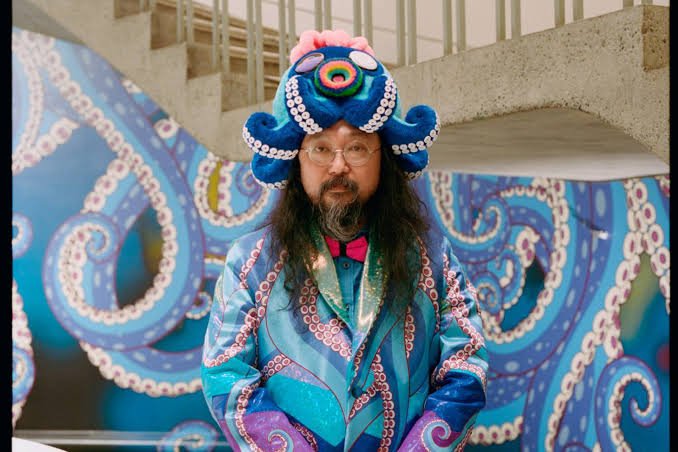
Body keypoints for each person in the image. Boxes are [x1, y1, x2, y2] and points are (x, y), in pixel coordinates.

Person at [201, 29, 488, 451]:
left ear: (383, 158)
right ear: (296, 160)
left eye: (356, 148)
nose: (338, 167)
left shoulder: (433, 258)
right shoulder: (250, 261)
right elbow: (225, 376)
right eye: (320, 149)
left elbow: (467, 368)